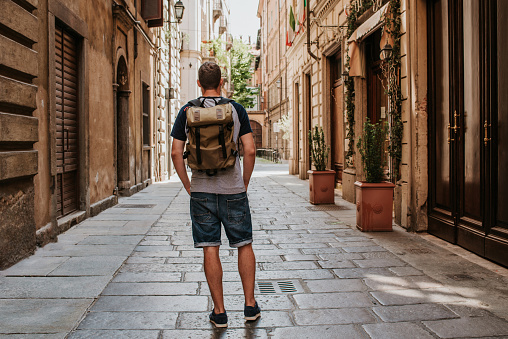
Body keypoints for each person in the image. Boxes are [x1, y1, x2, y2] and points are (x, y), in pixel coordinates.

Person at [170, 62, 260, 328]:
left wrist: (188, 185)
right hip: (233, 189)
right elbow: (250, 150)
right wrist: (243, 183)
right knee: (244, 243)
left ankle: (219, 312)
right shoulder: (236, 109)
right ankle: (250, 306)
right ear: (222, 82)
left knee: (210, 248)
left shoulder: (187, 110)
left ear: (199, 83)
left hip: (201, 191)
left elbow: (176, 152)